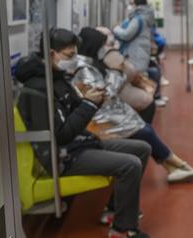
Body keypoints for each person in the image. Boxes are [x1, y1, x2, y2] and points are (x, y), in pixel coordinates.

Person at [15, 28, 150, 238]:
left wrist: (94, 100)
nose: (73, 60)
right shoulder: (38, 89)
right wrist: (88, 104)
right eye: (69, 55)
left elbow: (75, 110)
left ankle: (115, 211)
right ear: (52, 54)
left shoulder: (58, 79)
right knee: (130, 165)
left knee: (142, 148)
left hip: (79, 144)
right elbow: (61, 135)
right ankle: (122, 230)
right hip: (61, 156)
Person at [78, 27, 193, 185]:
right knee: (145, 131)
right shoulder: (83, 69)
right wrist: (117, 73)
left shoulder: (95, 63)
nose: (104, 49)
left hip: (108, 113)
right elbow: (107, 92)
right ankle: (177, 165)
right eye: (102, 46)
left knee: (145, 128)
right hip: (96, 121)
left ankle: (175, 166)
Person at [114, 0, 155, 73]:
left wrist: (116, 29)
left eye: (131, 3)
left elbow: (126, 35)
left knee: (135, 76)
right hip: (142, 51)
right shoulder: (146, 17)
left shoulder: (137, 19)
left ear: (137, 5)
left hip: (135, 53)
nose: (130, 6)